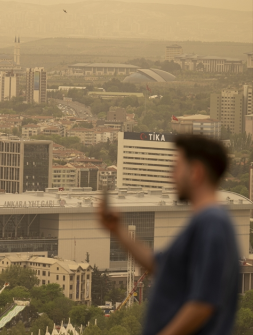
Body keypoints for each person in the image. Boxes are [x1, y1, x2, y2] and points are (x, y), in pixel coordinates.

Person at [99, 134, 239, 335]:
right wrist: (117, 229)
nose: (170, 176)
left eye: (176, 168)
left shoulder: (212, 223)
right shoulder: (204, 223)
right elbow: (159, 266)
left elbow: (203, 303)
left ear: (196, 172)